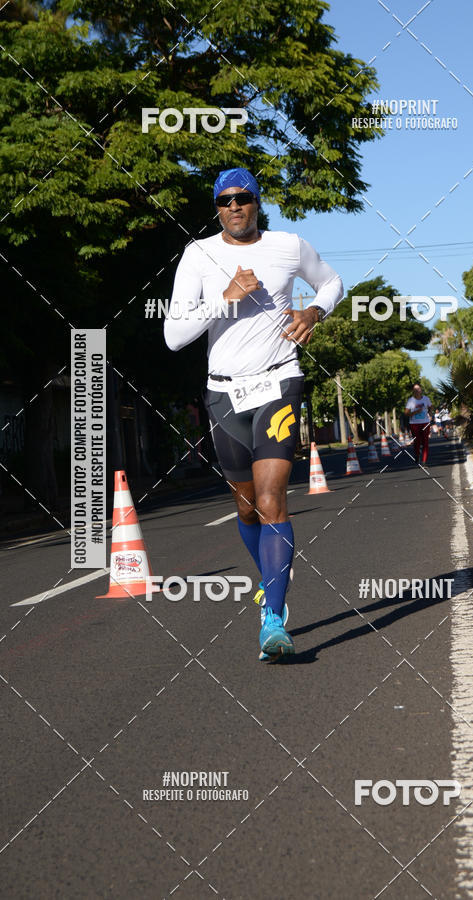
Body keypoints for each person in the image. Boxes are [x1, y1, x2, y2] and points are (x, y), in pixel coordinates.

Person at [164, 168, 343, 661]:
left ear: (257, 203)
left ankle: (273, 620)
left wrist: (313, 313)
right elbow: (174, 336)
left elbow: (332, 282)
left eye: (243, 198)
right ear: (217, 207)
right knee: (245, 507)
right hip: (223, 393)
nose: (235, 206)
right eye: (225, 200)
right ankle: (271, 578)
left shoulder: (289, 245)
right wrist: (224, 301)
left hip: (278, 382)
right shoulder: (198, 255)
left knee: (271, 501)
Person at [404, 384, 432, 465]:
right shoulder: (411, 400)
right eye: (415, 390)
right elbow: (406, 413)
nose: (417, 391)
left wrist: (430, 412)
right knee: (417, 442)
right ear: (413, 391)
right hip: (414, 424)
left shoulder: (426, 399)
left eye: (418, 389)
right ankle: (417, 455)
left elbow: (430, 407)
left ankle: (424, 461)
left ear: (421, 390)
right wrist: (415, 412)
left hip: (425, 423)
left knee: (425, 442)